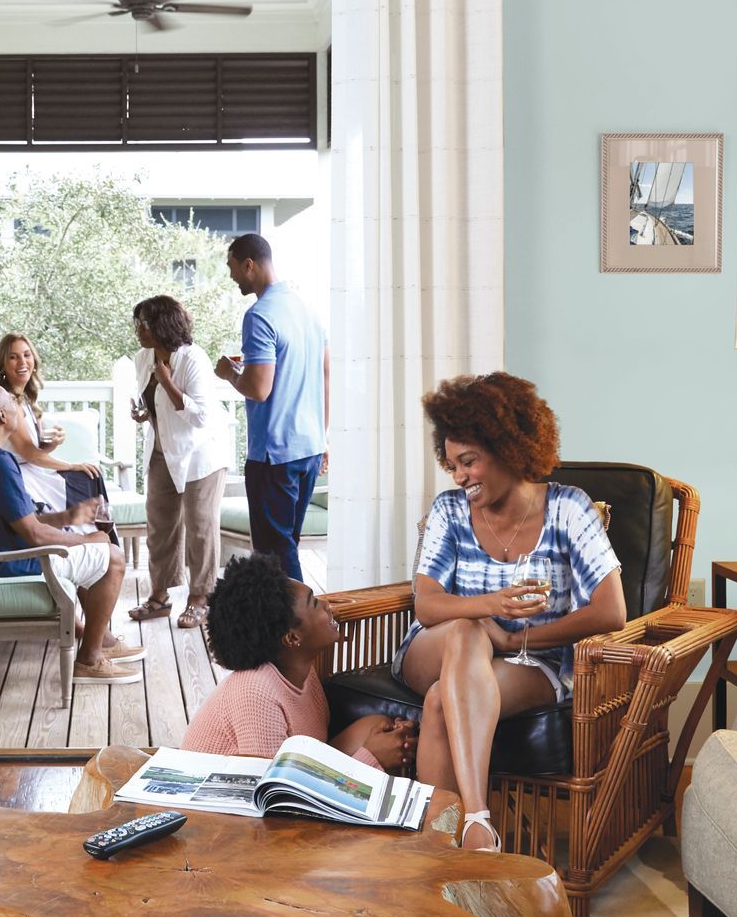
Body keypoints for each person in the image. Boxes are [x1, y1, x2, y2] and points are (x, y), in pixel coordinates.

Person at [392, 372, 625, 850]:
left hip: (532, 660)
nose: (459, 477)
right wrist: (488, 612)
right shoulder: (450, 510)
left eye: (469, 462)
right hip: (434, 647)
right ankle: (479, 820)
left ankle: (440, 849)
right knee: (465, 632)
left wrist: (517, 639)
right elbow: (428, 605)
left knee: (441, 701)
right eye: (453, 465)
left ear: (508, 449)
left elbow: (611, 611)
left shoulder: (569, 508)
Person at [0, 383, 144, 685]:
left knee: (91, 548)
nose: (18, 409)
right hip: (12, 562)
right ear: (3, 415)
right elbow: (34, 535)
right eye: (12, 404)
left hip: (5, 551)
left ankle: (101, 641)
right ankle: (90, 660)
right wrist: (87, 539)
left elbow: (23, 521)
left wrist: (68, 518)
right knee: (113, 557)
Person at [186, 554, 418, 773]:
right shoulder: (256, 692)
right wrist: (372, 758)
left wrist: (390, 739)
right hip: (218, 798)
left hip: (287, 777)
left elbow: (310, 757)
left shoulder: (302, 669)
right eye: (314, 603)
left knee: (380, 728)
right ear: (292, 638)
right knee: (379, 747)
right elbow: (272, 792)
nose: (327, 605)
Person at [213, 233, 327, 582]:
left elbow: (258, 389)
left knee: (275, 553)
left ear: (249, 265)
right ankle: (295, 615)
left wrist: (229, 373)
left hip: (274, 455)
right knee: (286, 545)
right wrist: (323, 437)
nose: (232, 276)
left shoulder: (259, 315)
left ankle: (300, 617)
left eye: (232, 267)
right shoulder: (307, 309)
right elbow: (326, 373)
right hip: (309, 447)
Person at [126, 296, 229, 629]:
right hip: (162, 449)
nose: (139, 330)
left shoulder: (193, 358)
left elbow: (200, 417)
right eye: (137, 323)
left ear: (163, 325)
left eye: (144, 324)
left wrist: (168, 383)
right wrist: (143, 413)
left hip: (201, 454)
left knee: (200, 527)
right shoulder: (143, 358)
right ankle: (159, 596)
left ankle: (200, 598)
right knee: (159, 526)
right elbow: (154, 405)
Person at [0, 334, 111, 528]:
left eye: (27, 355)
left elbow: (35, 451)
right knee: (87, 476)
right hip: (20, 478)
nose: (22, 362)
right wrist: (72, 466)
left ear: (34, 360)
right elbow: (29, 454)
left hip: (34, 471)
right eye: (13, 357)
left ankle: (97, 532)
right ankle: (90, 534)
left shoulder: (24, 400)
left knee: (91, 475)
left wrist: (51, 444)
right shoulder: (8, 401)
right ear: (3, 365)